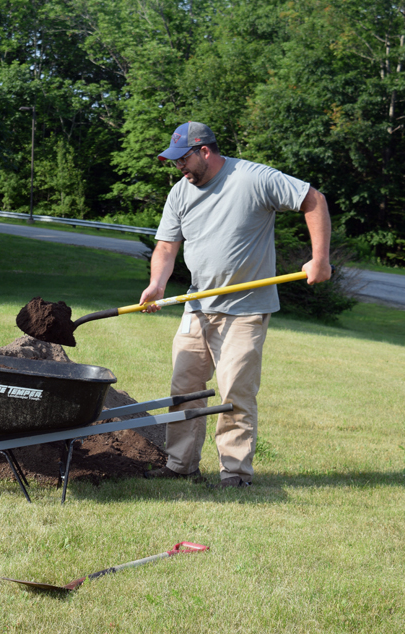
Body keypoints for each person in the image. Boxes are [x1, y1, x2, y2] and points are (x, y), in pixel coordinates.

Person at [140, 121, 332, 488]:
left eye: (183, 160)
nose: (178, 167)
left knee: (234, 393)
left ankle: (235, 473)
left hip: (245, 308)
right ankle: (180, 464)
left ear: (205, 151)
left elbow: (314, 200)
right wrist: (156, 284)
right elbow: (166, 246)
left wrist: (319, 259)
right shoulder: (180, 193)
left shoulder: (252, 178)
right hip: (196, 305)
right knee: (184, 389)